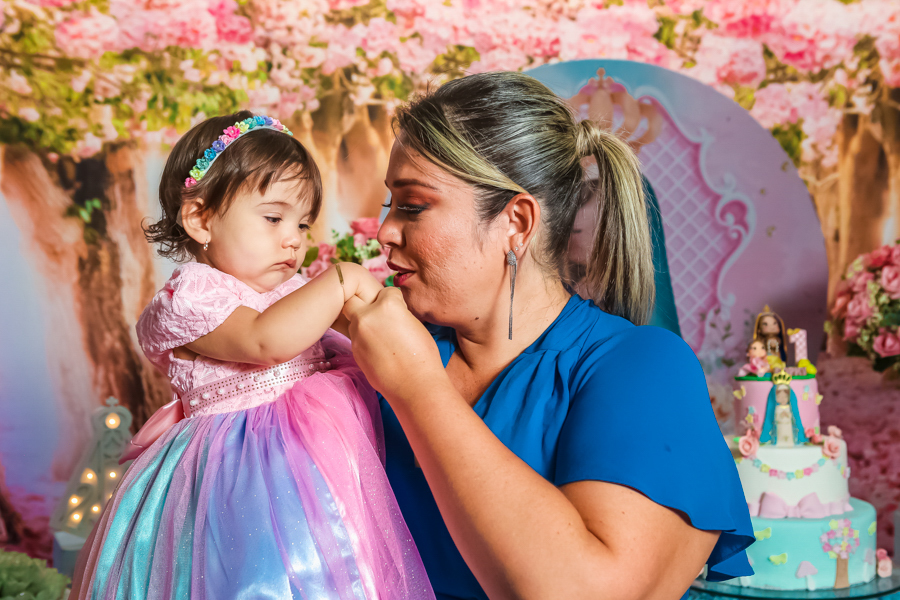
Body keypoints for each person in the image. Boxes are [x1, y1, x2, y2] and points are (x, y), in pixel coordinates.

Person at [344, 72, 754, 600]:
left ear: (516, 221)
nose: (384, 232)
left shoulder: (642, 368)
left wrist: (420, 391)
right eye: (389, 205)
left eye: (413, 205)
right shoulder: (380, 348)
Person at [71, 112, 434, 600]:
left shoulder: (291, 288)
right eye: (273, 218)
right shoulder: (192, 297)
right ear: (200, 219)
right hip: (244, 477)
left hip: (321, 469)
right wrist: (344, 278)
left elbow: (364, 337)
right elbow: (266, 341)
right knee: (256, 579)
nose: (294, 238)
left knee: (343, 568)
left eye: (302, 224)